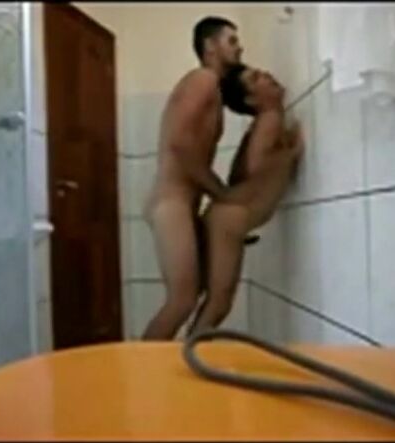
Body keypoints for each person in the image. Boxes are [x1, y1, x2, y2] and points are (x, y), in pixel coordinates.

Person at [142, 18, 281, 340]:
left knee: (193, 295)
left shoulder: (212, 89)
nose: (240, 48)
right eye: (231, 41)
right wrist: (222, 193)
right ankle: (143, 366)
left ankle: (177, 362)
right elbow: (179, 144)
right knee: (181, 300)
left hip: (181, 203)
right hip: (171, 202)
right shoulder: (202, 79)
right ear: (210, 46)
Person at [188, 64, 305, 334]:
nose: (266, 74)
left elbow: (240, 173)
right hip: (229, 221)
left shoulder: (263, 124)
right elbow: (255, 166)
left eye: (260, 72)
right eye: (256, 78)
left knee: (215, 300)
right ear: (252, 99)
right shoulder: (270, 119)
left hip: (226, 217)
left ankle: (189, 350)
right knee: (219, 302)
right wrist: (291, 153)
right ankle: (187, 353)